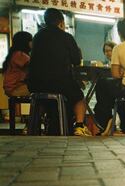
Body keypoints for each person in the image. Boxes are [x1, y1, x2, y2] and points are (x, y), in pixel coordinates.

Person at [28, 8, 90, 136]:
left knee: (45, 98)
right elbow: (77, 61)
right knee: (80, 97)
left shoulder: (37, 37)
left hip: (36, 84)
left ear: (45, 21)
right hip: (59, 83)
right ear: (61, 22)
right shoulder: (66, 37)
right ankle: (79, 126)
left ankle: (30, 125)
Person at [2, 31, 32, 97]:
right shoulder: (20, 55)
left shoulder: (15, 54)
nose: (32, 43)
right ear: (25, 42)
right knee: (41, 89)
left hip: (12, 88)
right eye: (31, 40)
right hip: (15, 88)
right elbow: (34, 65)